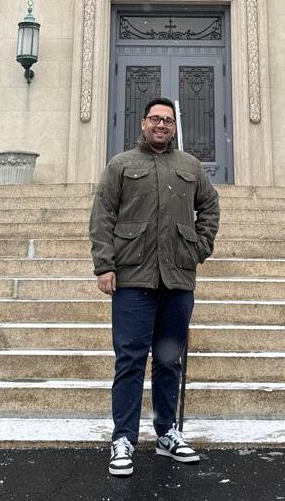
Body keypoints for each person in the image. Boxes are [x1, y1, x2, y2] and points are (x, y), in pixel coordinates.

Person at [89, 96, 220, 477]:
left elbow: (210, 207)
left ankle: (167, 434)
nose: (161, 125)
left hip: (177, 278)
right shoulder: (122, 165)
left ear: (174, 127)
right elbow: (103, 216)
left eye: (167, 120)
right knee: (129, 360)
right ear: (143, 123)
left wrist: (199, 246)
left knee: (168, 360)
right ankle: (124, 438)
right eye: (154, 119)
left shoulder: (190, 167)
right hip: (132, 279)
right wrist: (104, 265)